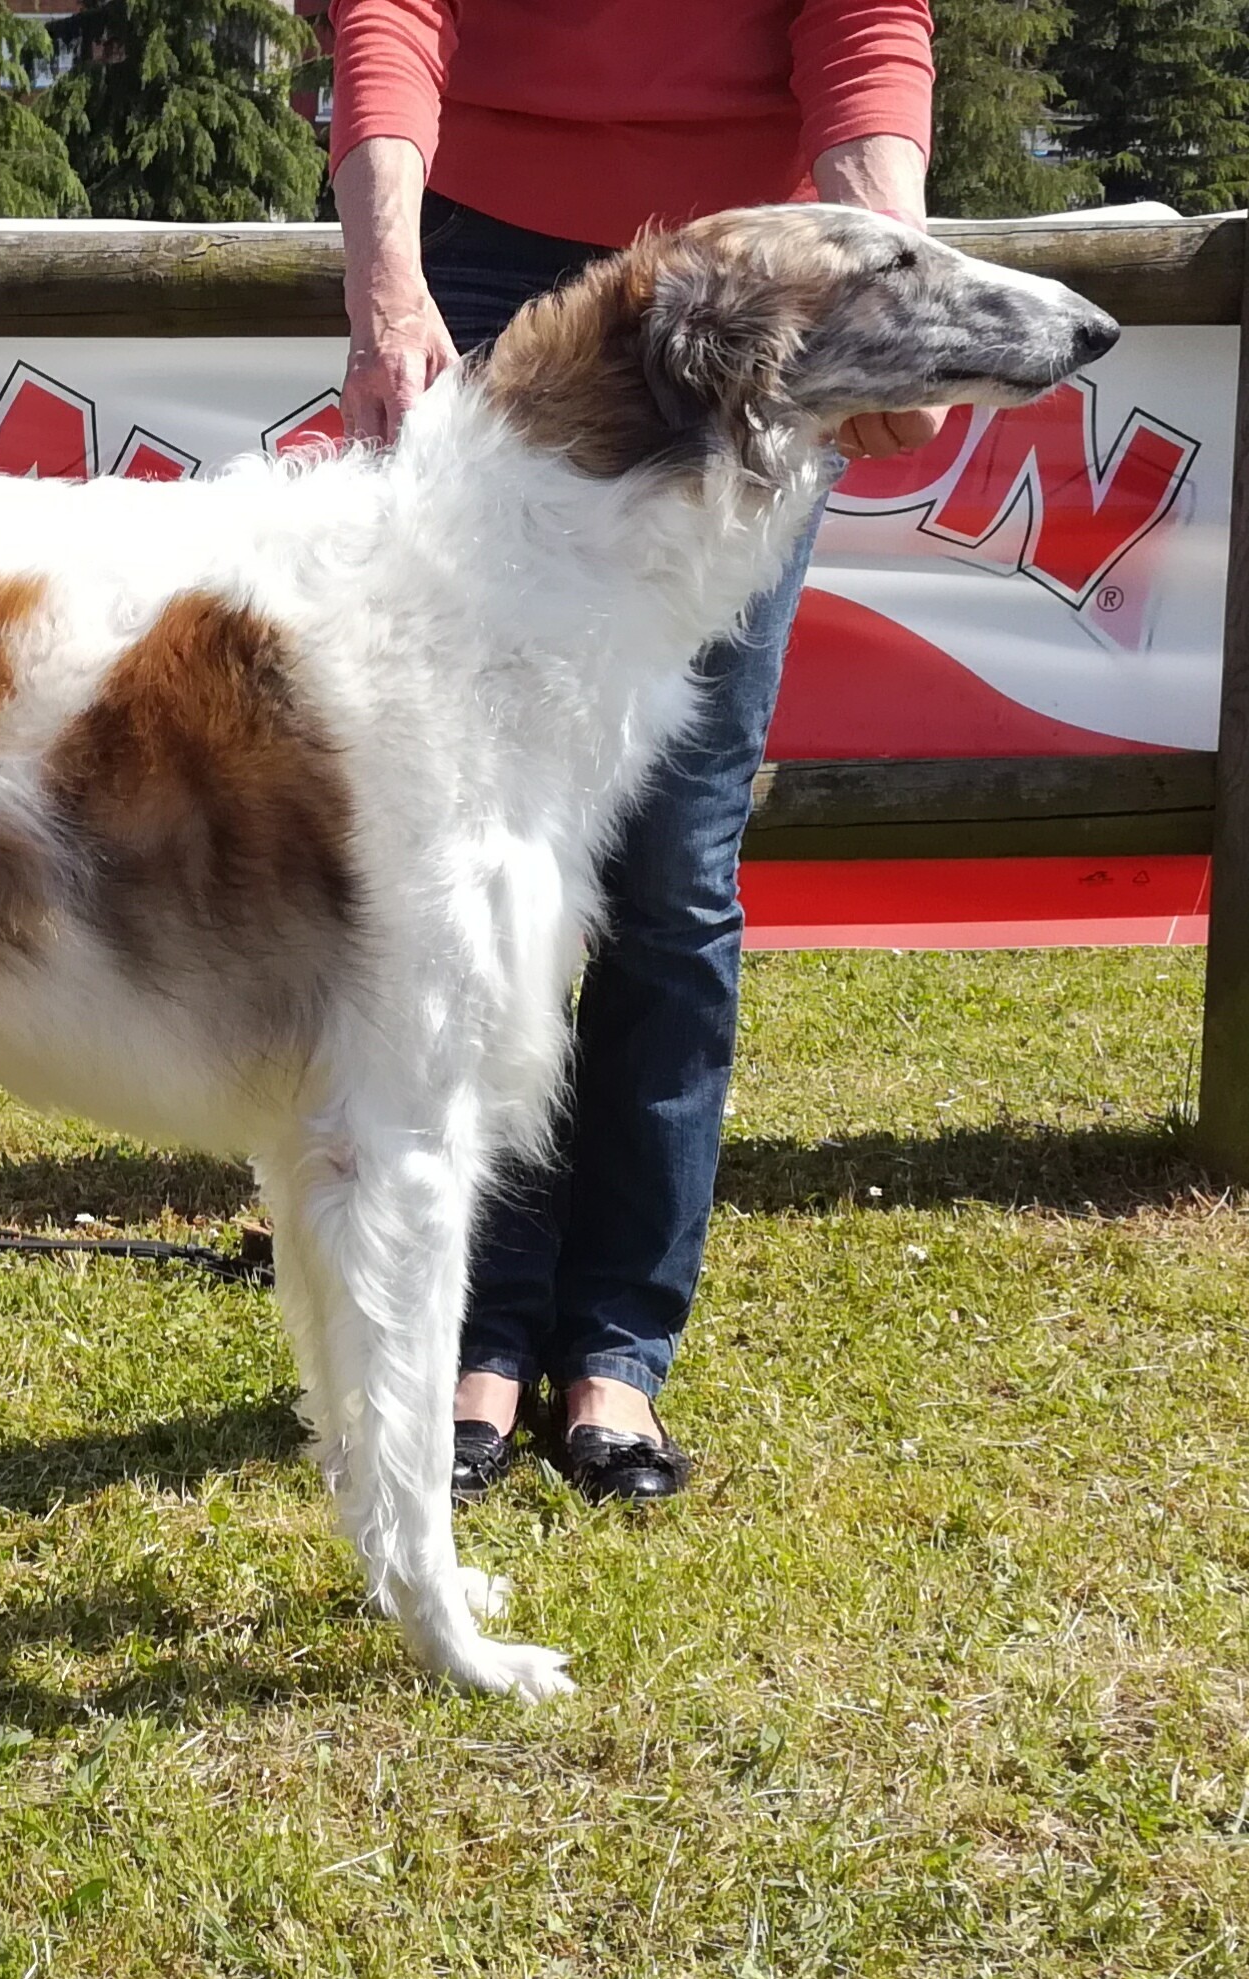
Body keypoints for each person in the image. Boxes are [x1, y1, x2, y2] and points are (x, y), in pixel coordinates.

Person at [326, 0, 942, 1502]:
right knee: (473, 847)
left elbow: (866, 29)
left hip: (747, 292)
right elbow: (393, 13)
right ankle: (475, 1334)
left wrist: (887, 289)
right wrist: (389, 289)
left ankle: (618, 1349)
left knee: (673, 860)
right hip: (480, 261)